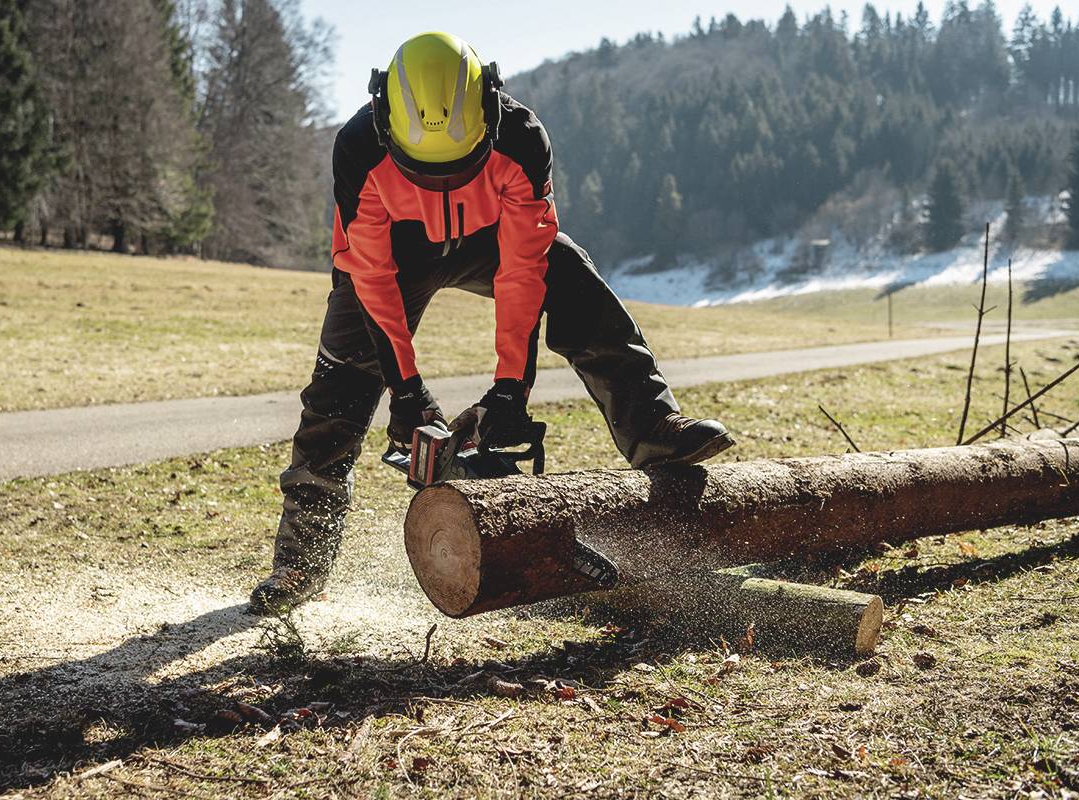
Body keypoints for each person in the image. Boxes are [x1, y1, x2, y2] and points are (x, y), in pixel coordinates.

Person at [249, 31, 734, 613]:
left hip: (490, 236)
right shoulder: (359, 146)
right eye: (427, 173)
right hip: (395, 253)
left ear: (488, 111)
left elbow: (524, 268)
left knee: (571, 275)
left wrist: (510, 389)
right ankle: (301, 563)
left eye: (458, 167)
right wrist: (406, 393)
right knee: (342, 380)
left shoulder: (522, 137)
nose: (443, 183)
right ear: (385, 120)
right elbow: (371, 276)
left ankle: (653, 428)